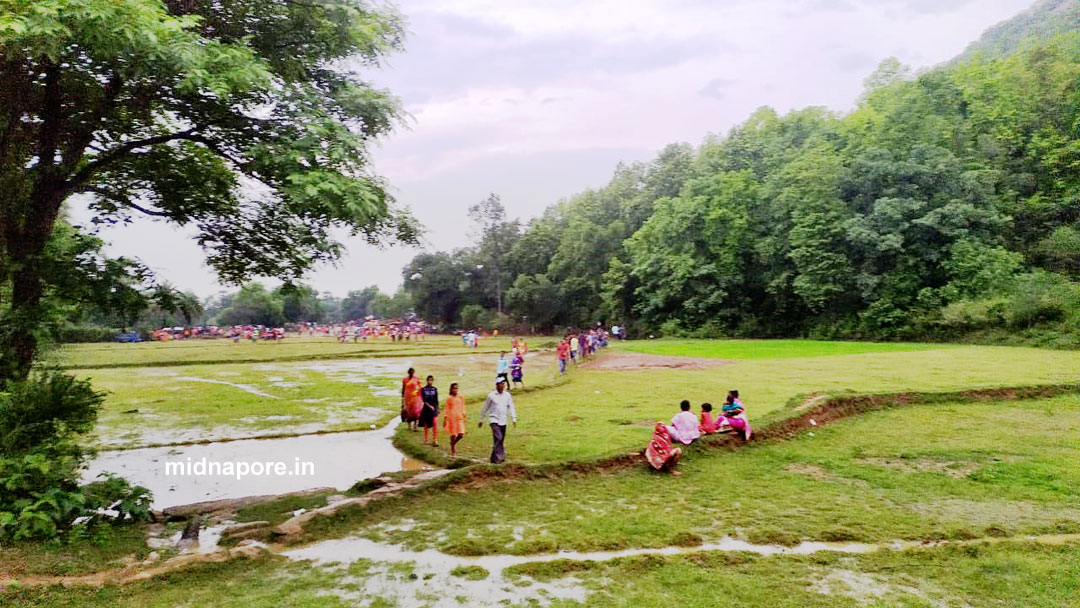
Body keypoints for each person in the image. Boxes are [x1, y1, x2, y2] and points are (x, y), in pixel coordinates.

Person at [479, 378, 517, 464]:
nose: (501, 386)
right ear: (496, 385)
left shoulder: (507, 395)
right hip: (494, 419)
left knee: (500, 439)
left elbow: (511, 406)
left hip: (503, 420)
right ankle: (500, 456)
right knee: (498, 437)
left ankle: (494, 458)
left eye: (502, 384)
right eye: (499, 384)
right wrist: (481, 419)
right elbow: (485, 408)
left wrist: (514, 418)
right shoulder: (491, 396)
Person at [443, 382, 466, 457]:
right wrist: (445, 418)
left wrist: (463, 414)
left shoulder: (461, 397)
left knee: (461, 434)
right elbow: (447, 409)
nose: (455, 390)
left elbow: (463, 406)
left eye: (457, 388)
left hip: (459, 417)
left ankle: (452, 443)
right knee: (453, 434)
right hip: (451, 418)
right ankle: (453, 451)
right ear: (451, 389)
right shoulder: (449, 398)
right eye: (454, 388)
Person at [420, 375, 439, 446]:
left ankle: (435, 439)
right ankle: (426, 439)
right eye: (429, 380)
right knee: (426, 424)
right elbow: (424, 400)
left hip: (433, 408)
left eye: (431, 380)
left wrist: (438, 408)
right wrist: (429, 406)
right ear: (427, 380)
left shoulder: (435, 389)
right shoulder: (423, 389)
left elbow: (436, 400)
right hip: (426, 409)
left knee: (435, 422)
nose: (430, 381)